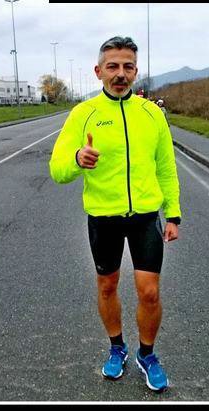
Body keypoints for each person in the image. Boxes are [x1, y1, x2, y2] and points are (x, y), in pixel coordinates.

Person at [49, 36, 181, 393]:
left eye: (127, 67)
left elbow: (166, 168)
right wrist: (77, 159)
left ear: (136, 71)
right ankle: (117, 348)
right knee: (107, 285)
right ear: (99, 71)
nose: (120, 74)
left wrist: (173, 214)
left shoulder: (152, 114)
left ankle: (147, 355)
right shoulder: (83, 114)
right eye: (113, 66)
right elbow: (57, 169)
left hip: (145, 217)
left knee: (149, 292)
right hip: (103, 217)